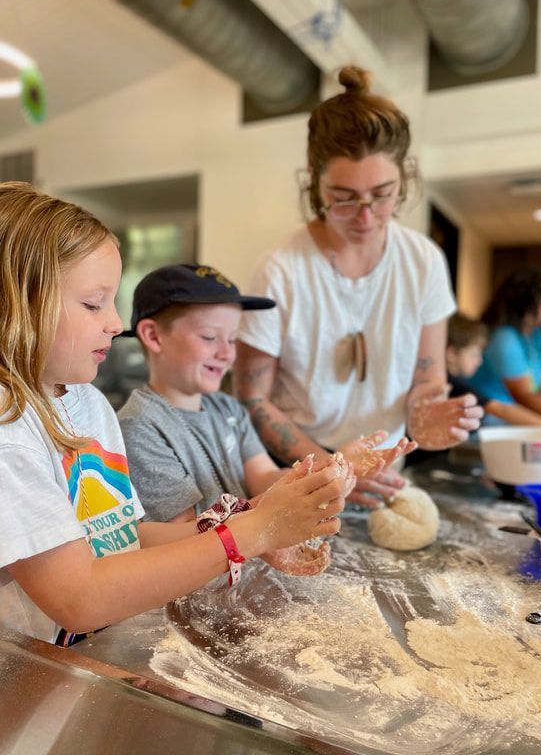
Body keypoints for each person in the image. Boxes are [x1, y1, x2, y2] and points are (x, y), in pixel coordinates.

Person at [0, 182, 349, 646]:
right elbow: (78, 598)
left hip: (95, 658)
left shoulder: (84, 402)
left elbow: (124, 537)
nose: (115, 323)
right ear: (16, 305)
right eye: (92, 303)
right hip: (32, 678)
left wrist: (250, 528)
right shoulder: (10, 431)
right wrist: (246, 535)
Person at [234, 65, 482, 507]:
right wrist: (332, 469)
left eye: (383, 195)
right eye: (344, 198)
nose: (366, 217)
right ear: (314, 177)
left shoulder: (423, 262)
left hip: (386, 474)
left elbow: (427, 382)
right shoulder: (281, 270)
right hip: (298, 476)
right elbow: (252, 397)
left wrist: (429, 417)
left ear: (403, 178)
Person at [117, 263, 416, 558]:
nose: (227, 353)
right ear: (154, 337)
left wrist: (330, 471)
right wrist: (271, 517)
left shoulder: (227, 408)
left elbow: (265, 477)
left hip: (242, 558)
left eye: (232, 339)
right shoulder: (141, 425)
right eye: (209, 337)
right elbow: (186, 538)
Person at [468, 267, 541, 422]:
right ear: (523, 302)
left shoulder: (539, 336)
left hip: (516, 422)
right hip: (490, 424)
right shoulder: (503, 339)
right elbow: (523, 396)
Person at [446, 313, 541, 426]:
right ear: (452, 353)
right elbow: (501, 410)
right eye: (474, 354)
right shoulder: (453, 383)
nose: (479, 361)